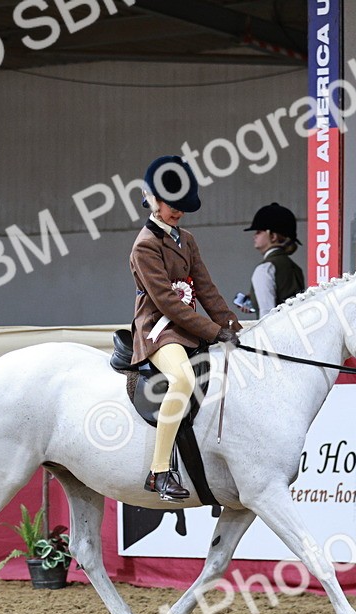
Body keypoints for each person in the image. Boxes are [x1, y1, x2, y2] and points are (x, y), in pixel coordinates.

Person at [129, 155, 241, 502]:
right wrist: (212, 331)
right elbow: (167, 302)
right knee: (182, 379)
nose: (178, 211)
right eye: (171, 205)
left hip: (190, 328)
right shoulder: (145, 246)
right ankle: (160, 470)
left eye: (182, 206)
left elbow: (206, 288)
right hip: (158, 331)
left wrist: (232, 326)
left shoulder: (186, 239)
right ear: (153, 200)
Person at [236, 202, 306, 318]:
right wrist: (254, 301)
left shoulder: (265, 268)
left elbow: (267, 314)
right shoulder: (296, 268)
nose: (255, 236)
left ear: (273, 236)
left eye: (259, 231)